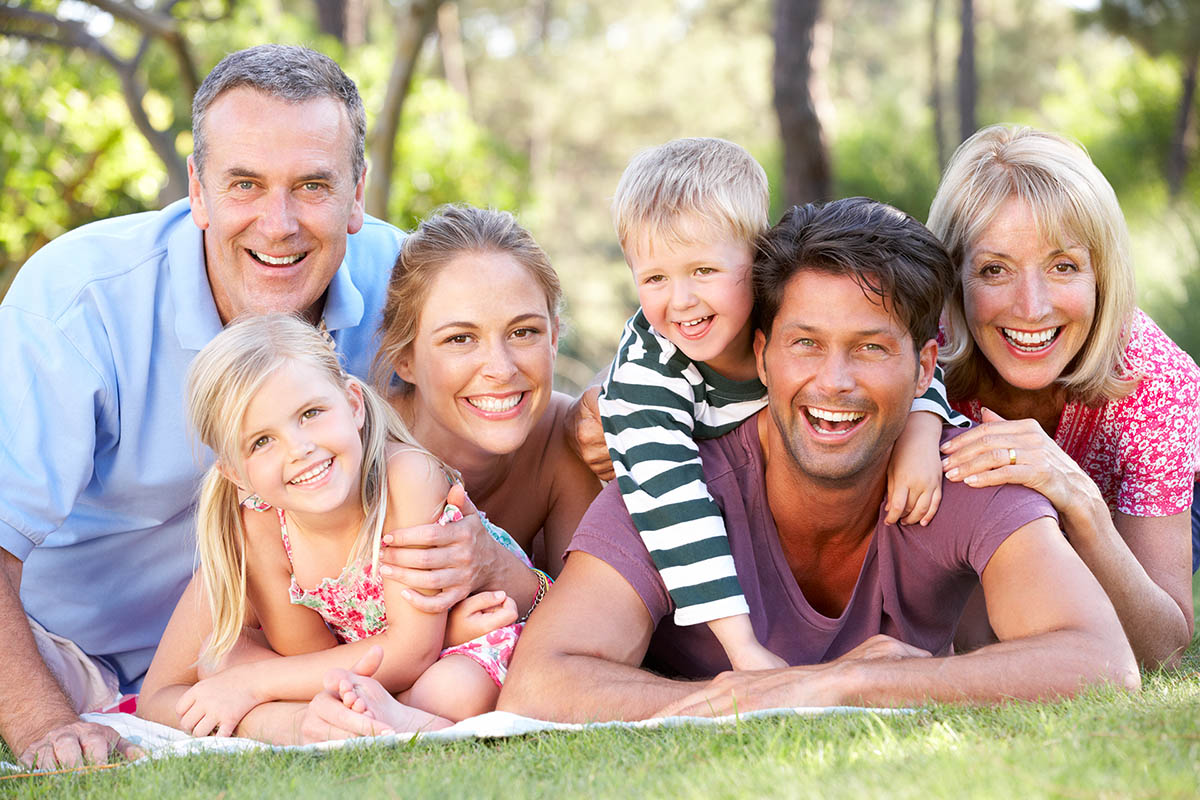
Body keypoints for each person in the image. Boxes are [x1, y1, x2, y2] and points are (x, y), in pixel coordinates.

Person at [304, 198, 1137, 732]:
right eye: (806, 344)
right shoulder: (675, 479)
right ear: (763, 354)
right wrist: (757, 700)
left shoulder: (961, 470)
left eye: (871, 350)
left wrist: (846, 690)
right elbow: (544, 682)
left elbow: (1102, 661)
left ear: (926, 370)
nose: (834, 382)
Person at [0, 45, 493, 768]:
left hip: (275, 646)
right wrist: (43, 722)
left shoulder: (404, 285)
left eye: (314, 186)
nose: (279, 223)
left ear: (357, 193)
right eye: (245, 185)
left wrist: (578, 426)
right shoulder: (80, 300)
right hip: (65, 647)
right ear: (198, 189)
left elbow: (506, 384)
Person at [596, 138, 968, 671]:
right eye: (654, 277)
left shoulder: (793, 312)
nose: (680, 300)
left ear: (757, 256)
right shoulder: (645, 380)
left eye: (703, 271)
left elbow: (893, 355)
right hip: (680, 540)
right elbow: (672, 506)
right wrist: (742, 650)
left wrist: (921, 431)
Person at [138, 315, 531, 738]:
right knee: (222, 656)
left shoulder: (406, 478)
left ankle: (409, 717)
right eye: (262, 441)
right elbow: (311, 656)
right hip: (371, 665)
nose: (300, 448)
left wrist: (249, 682)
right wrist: (240, 674)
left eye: (310, 413)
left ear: (354, 405)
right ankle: (383, 714)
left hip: (472, 642)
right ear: (236, 473)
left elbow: (413, 651)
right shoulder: (262, 528)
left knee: (449, 690)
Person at [928, 125, 1199, 670]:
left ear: (1102, 274)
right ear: (954, 278)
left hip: (1122, 513)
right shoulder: (917, 357)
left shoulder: (1156, 379)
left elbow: (1164, 648)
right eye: (994, 269)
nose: (1032, 308)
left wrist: (1078, 498)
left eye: (1063, 266)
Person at [372, 204, 602, 579]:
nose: (501, 369)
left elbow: (594, 613)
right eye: (460, 338)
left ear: (555, 337)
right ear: (405, 358)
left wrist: (500, 570)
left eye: (523, 332)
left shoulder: (560, 438)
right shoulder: (356, 449)